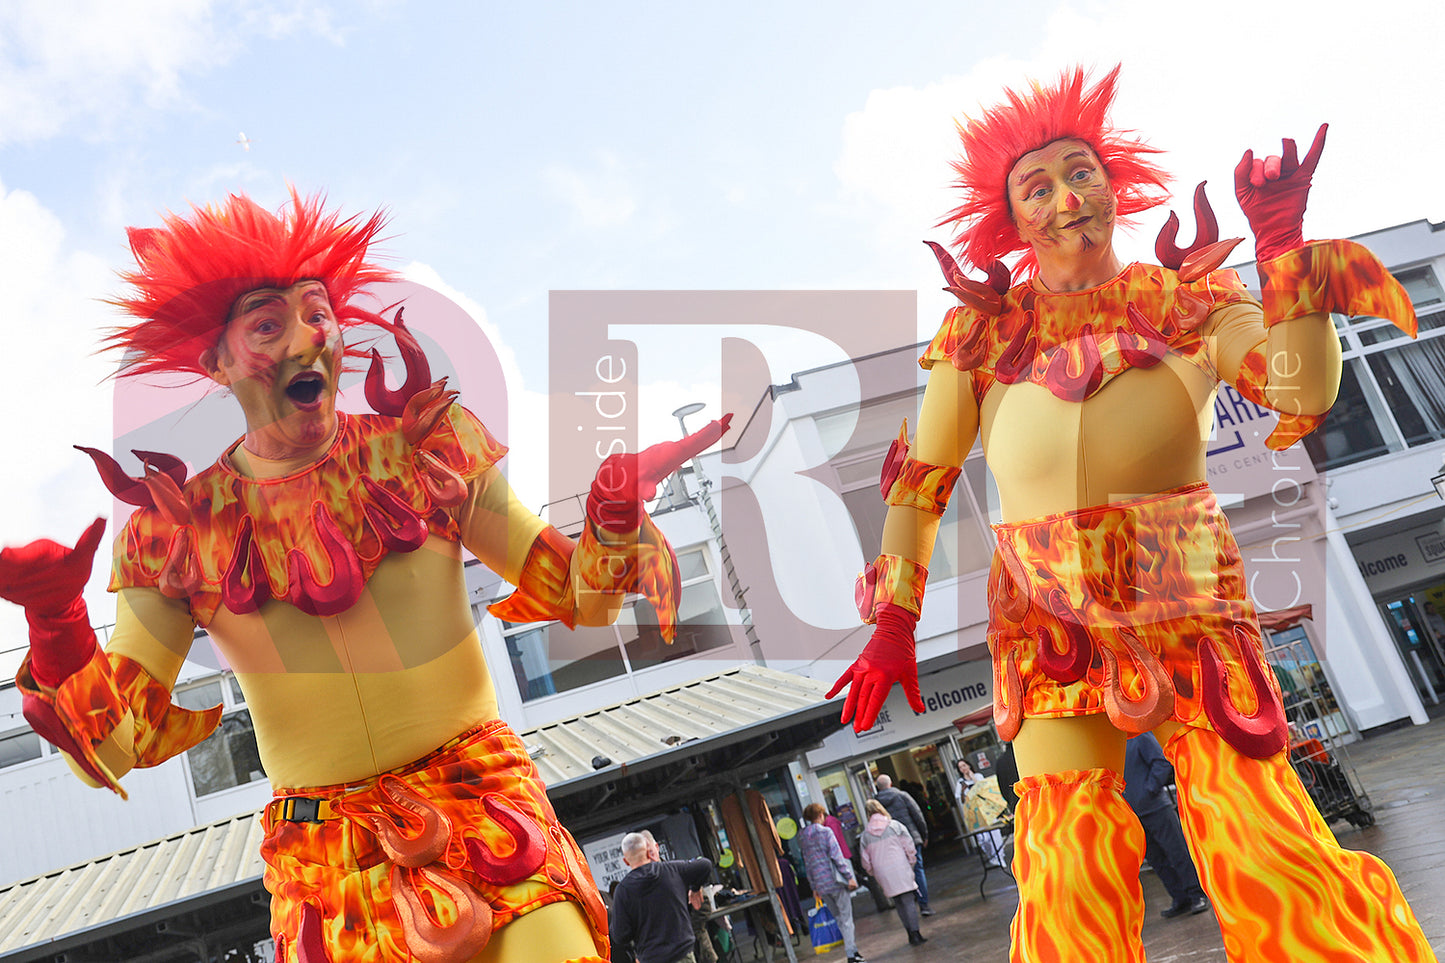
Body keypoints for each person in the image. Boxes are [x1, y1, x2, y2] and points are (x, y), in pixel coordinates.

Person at [0, 191, 729, 963]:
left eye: (317, 313)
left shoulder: (429, 447)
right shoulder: (175, 532)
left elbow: (582, 595)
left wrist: (613, 506)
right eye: (268, 326)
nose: (306, 339)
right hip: (328, 865)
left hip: (487, 806)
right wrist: (58, 623)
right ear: (217, 363)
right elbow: (114, 749)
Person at [828, 65, 1434, 961]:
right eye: (1037, 187)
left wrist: (1281, 248)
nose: (1065, 199)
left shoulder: (1187, 300)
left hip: (1186, 598)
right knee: (1065, 872)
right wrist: (892, 622)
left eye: (1080, 173)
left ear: (1114, 186)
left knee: (1264, 847)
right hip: (1044, 620)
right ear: (1010, 218)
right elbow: (921, 482)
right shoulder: (980, 333)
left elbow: (1297, 389)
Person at [1123, 733, 1208, 919]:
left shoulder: (1140, 736)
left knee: (1177, 851)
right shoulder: (1115, 745)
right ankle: (1180, 897)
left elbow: (1161, 762)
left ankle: (1197, 894)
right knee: (1157, 860)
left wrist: (1149, 790)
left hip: (1155, 807)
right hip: (1133, 814)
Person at [610, 831, 714, 963]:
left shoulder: (623, 890)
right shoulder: (672, 870)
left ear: (625, 861)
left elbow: (620, 936)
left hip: (651, 958)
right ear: (648, 853)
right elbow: (705, 865)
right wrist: (695, 888)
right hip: (683, 954)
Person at [799, 803, 865, 963]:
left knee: (838, 918)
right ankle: (851, 954)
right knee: (846, 918)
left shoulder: (803, 837)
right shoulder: (826, 832)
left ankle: (853, 950)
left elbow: (808, 863)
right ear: (820, 815)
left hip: (821, 885)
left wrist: (813, 886)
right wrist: (849, 876)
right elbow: (837, 856)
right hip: (835, 881)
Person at [858, 799, 926, 946]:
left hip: (882, 872)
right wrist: (911, 862)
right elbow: (909, 846)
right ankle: (916, 933)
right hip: (900, 866)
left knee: (898, 902)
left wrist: (873, 872)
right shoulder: (895, 826)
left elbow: (865, 861)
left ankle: (909, 933)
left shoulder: (865, 836)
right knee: (908, 901)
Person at [871, 774, 932, 915]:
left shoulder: (876, 804)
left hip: (892, 843)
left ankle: (910, 904)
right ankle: (924, 904)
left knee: (900, 872)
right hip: (911, 837)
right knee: (917, 870)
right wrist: (924, 835)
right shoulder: (902, 796)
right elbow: (917, 815)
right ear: (891, 783)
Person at [955, 759, 1009, 868]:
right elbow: (959, 798)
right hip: (975, 813)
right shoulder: (960, 783)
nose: (963, 768)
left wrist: (973, 777)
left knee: (995, 834)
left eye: (964, 765)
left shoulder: (978, 776)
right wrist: (963, 792)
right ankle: (992, 856)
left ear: (969, 765)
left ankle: (999, 857)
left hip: (986, 809)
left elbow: (983, 789)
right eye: (960, 767)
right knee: (983, 839)